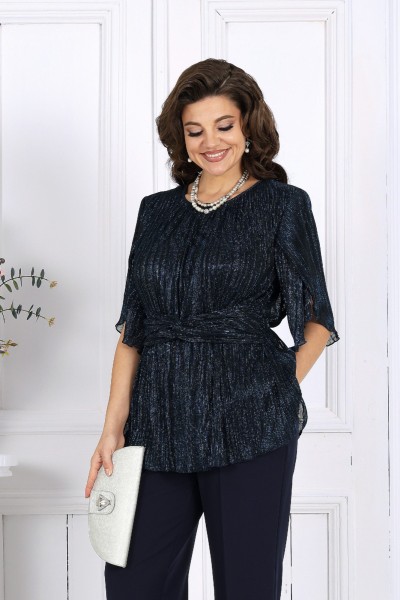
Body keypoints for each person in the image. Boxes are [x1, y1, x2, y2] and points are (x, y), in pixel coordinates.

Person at [85, 58, 339, 599]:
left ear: (248, 126)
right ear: (180, 138)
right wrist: (112, 428)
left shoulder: (282, 205)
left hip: (249, 425)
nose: (211, 142)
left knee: (247, 586)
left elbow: (317, 319)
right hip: (156, 423)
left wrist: (271, 389)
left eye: (224, 125)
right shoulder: (156, 212)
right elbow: (135, 327)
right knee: (134, 585)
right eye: (195, 130)